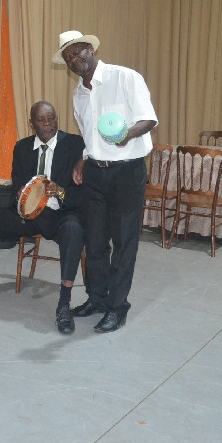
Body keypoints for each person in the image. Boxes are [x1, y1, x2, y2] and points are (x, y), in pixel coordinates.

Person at [52, 31, 158, 333]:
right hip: (95, 174)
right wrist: (83, 159)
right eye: (68, 57)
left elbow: (148, 119)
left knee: (123, 243)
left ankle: (117, 307)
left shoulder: (125, 77)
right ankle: (97, 299)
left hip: (127, 172)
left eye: (77, 52)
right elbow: (90, 136)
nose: (74, 60)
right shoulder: (78, 95)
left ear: (90, 49)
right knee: (95, 240)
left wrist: (127, 134)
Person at [0, 101, 86, 334]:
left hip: (59, 214)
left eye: (51, 118)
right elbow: (16, 187)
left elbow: (83, 191)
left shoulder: (75, 145)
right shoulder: (22, 147)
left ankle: (64, 304)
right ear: (31, 123)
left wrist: (60, 191)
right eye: (41, 120)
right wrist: (22, 195)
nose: (47, 124)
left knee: (74, 229)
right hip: (27, 215)